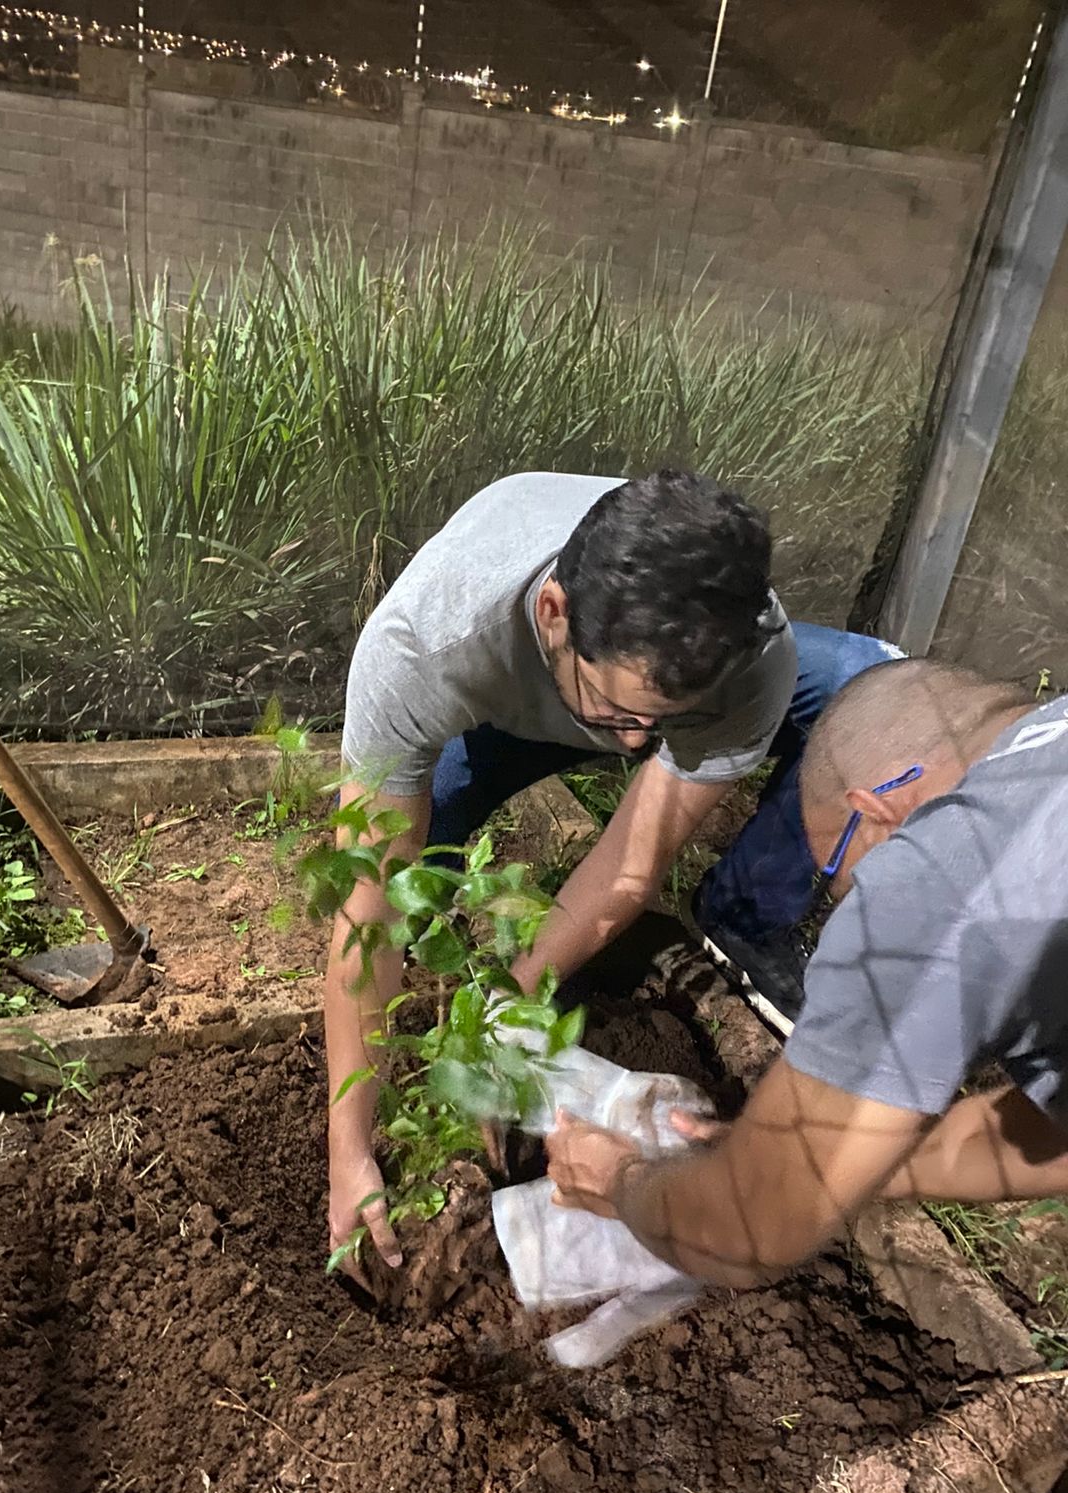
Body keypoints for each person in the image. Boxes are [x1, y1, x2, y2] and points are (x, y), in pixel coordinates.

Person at [327, 467, 898, 1268]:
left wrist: (510, 1007)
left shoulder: (747, 662)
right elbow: (369, 905)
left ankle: (739, 918)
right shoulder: (427, 645)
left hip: (646, 677)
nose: (634, 748)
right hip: (511, 696)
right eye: (623, 715)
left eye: (662, 724)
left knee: (876, 693)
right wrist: (347, 1150)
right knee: (411, 876)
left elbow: (632, 865)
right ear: (556, 614)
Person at [545, 658, 1068, 1287]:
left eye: (837, 881)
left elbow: (742, 1232)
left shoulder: (937, 877)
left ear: (876, 811)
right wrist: (827, 1166)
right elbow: (1050, 1133)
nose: (848, 904)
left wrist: (617, 1179)